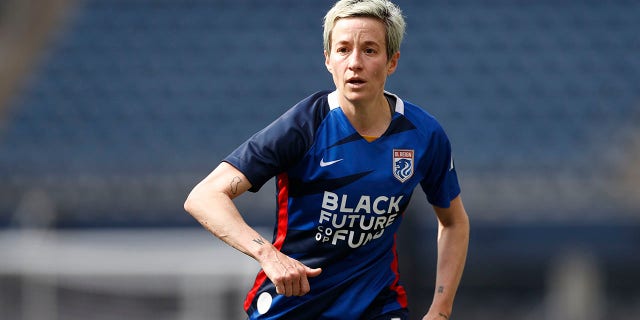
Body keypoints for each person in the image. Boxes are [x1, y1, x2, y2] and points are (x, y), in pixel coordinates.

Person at [184, 0, 469, 319]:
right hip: (294, 304)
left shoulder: (424, 135)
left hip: (376, 305)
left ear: (392, 62)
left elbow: (454, 221)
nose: (355, 63)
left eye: (370, 50)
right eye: (343, 49)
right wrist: (267, 254)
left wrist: (441, 310)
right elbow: (204, 197)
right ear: (328, 60)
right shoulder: (303, 126)